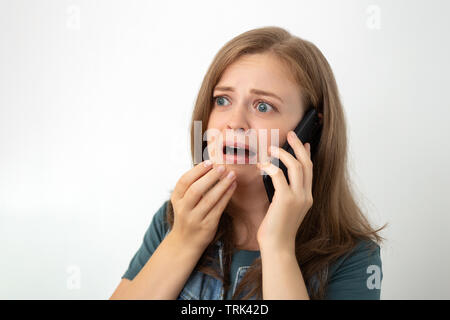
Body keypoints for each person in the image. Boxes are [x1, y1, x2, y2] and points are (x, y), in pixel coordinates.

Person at [110, 26, 387, 300]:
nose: (234, 122)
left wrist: (278, 248)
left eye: (263, 106)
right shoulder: (174, 219)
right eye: (223, 100)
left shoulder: (353, 257)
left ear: (310, 129)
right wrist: (184, 240)